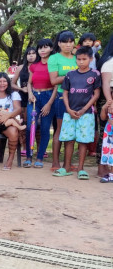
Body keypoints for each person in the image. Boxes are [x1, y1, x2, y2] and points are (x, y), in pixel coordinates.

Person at [53, 46, 101, 179]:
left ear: (90, 59)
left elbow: (96, 94)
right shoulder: (70, 74)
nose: (81, 62)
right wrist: (68, 109)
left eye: (84, 59)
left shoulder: (95, 74)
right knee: (68, 140)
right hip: (70, 113)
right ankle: (66, 167)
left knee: (83, 141)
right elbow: (65, 93)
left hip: (86, 114)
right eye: (78, 59)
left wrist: (84, 109)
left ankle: (81, 169)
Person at [25, 38, 57, 168]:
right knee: (29, 127)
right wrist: (30, 94)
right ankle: (28, 157)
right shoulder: (34, 65)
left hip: (49, 97)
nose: (42, 50)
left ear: (51, 49)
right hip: (34, 98)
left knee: (44, 129)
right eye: (40, 48)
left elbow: (56, 86)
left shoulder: (54, 64)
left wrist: (49, 103)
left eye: (46, 47)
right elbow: (29, 83)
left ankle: (39, 158)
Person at [48, 31, 77, 171]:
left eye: (71, 41)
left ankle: (68, 163)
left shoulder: (77, 58)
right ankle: (55, 163)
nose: (68, 44)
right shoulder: (54, 59)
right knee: (59, 130)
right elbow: (53, 80)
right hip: (60, 97)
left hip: (77, 99)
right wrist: (71, 74)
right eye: (65, 41)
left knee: (71, 131)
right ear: (59, 43)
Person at [12, 47, 36, 156]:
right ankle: (25, 147)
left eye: (33, 53)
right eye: (28, 54)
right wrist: (21, 89)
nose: (31, 56)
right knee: (24, 122)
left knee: (37, 123)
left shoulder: (41, 67)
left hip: (37, 96)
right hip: (23, 97)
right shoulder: (20, 68)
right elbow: (12, 83)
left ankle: (39, 148)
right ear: (25, 56)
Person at [98, 34, 113, 180]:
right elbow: (106, 85)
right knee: (106, 136)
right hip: (109, 100)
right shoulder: (109, 63)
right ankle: (103, 168)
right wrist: (110, 102)